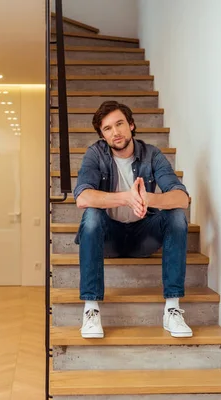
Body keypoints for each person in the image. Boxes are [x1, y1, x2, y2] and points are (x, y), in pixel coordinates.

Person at [73, 100, 192, 339]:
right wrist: (126, 198)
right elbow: (83, 197)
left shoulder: (151, 154)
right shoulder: (95, 154)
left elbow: (182, 198)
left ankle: (172, 307)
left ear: (131, 125)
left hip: (143, 237)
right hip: (109, 238)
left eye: (119, 124)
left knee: (177, 216)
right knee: (92, 214)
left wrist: (147, 198)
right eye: (107, 128)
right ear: (102, 135)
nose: (115, 132)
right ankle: (91, 310)